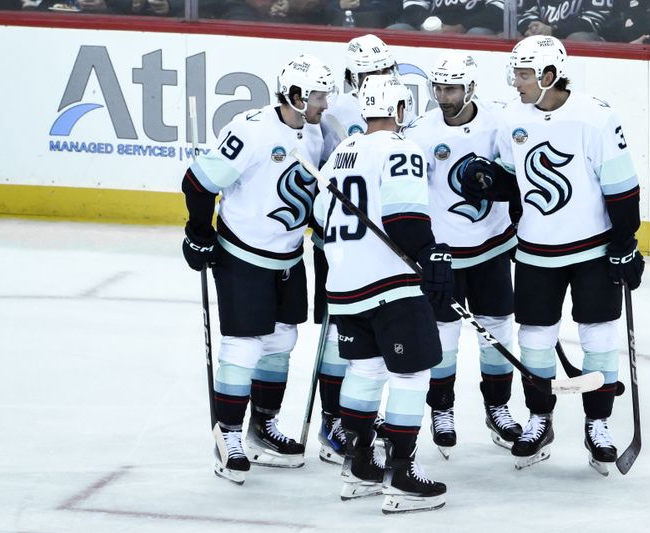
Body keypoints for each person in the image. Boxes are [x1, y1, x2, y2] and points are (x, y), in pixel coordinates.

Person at [461, 36, 644, 475]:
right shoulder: (511, 118)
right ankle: (540, 418)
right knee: (535, 340)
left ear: (547, 75)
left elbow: (622, 186)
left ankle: (598, 424)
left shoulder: (595, 117)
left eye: (523, 75)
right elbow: (513, 178)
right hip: (536, 252)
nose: (515, 82)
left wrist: (624, 244)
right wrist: (489, 181)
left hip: (593, 251)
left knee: (599, 337)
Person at [180, 54, 336, 484]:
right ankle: (226, 435)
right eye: (318, 95)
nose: (325, 102)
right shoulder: (251, 130)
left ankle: (262, 428)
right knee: (244, 346)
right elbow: (197, 181)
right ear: (297, 96)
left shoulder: (316, 131)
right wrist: (199, 232)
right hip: (243, 254)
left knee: (282, 339)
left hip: (287, 257)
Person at [313, 74, 450, 513]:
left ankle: (358, 466)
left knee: (367, 371)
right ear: (400, 110)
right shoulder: (401, 147)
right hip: (390, 284)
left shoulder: (337, 156)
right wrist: (431, 257)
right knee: (411, 375)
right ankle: (402, 474)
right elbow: (405, 219)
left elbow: (319, 221)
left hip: (344, 285)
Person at [403, 51, 523, 459]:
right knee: (444, 338)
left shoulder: (499, 122)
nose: (443, 95)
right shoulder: (419, 132)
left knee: (497, 332)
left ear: (470, 88)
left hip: (490, 248)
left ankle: (498, 408)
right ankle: (442, 409)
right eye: (438, 87)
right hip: (443, 255)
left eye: (452, 88)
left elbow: (518, 176)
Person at [312, 33, 399, 465]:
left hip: (377, 247)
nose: (377, 79)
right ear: (351, 76)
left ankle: (360, 414)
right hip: (339, 243)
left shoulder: (397, 108)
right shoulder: (336, 112)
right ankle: (333, 421)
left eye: (383, 70)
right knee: (336, 337)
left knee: (372, 341)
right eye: (369, 73)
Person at [388, 0, 504, 35]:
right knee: (396, 30)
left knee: (478, 33)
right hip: (430, 28)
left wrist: (462, 27)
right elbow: (413, 6)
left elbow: (497, 10)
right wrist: (428, 24)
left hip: (470, 29)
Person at [518, 0, 613, 41]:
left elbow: (593, 22)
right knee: (512, 37)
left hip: (586, 55)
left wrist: (552, 30)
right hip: (543, 46)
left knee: (578, 39)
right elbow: (526, 12)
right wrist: (534, 28)